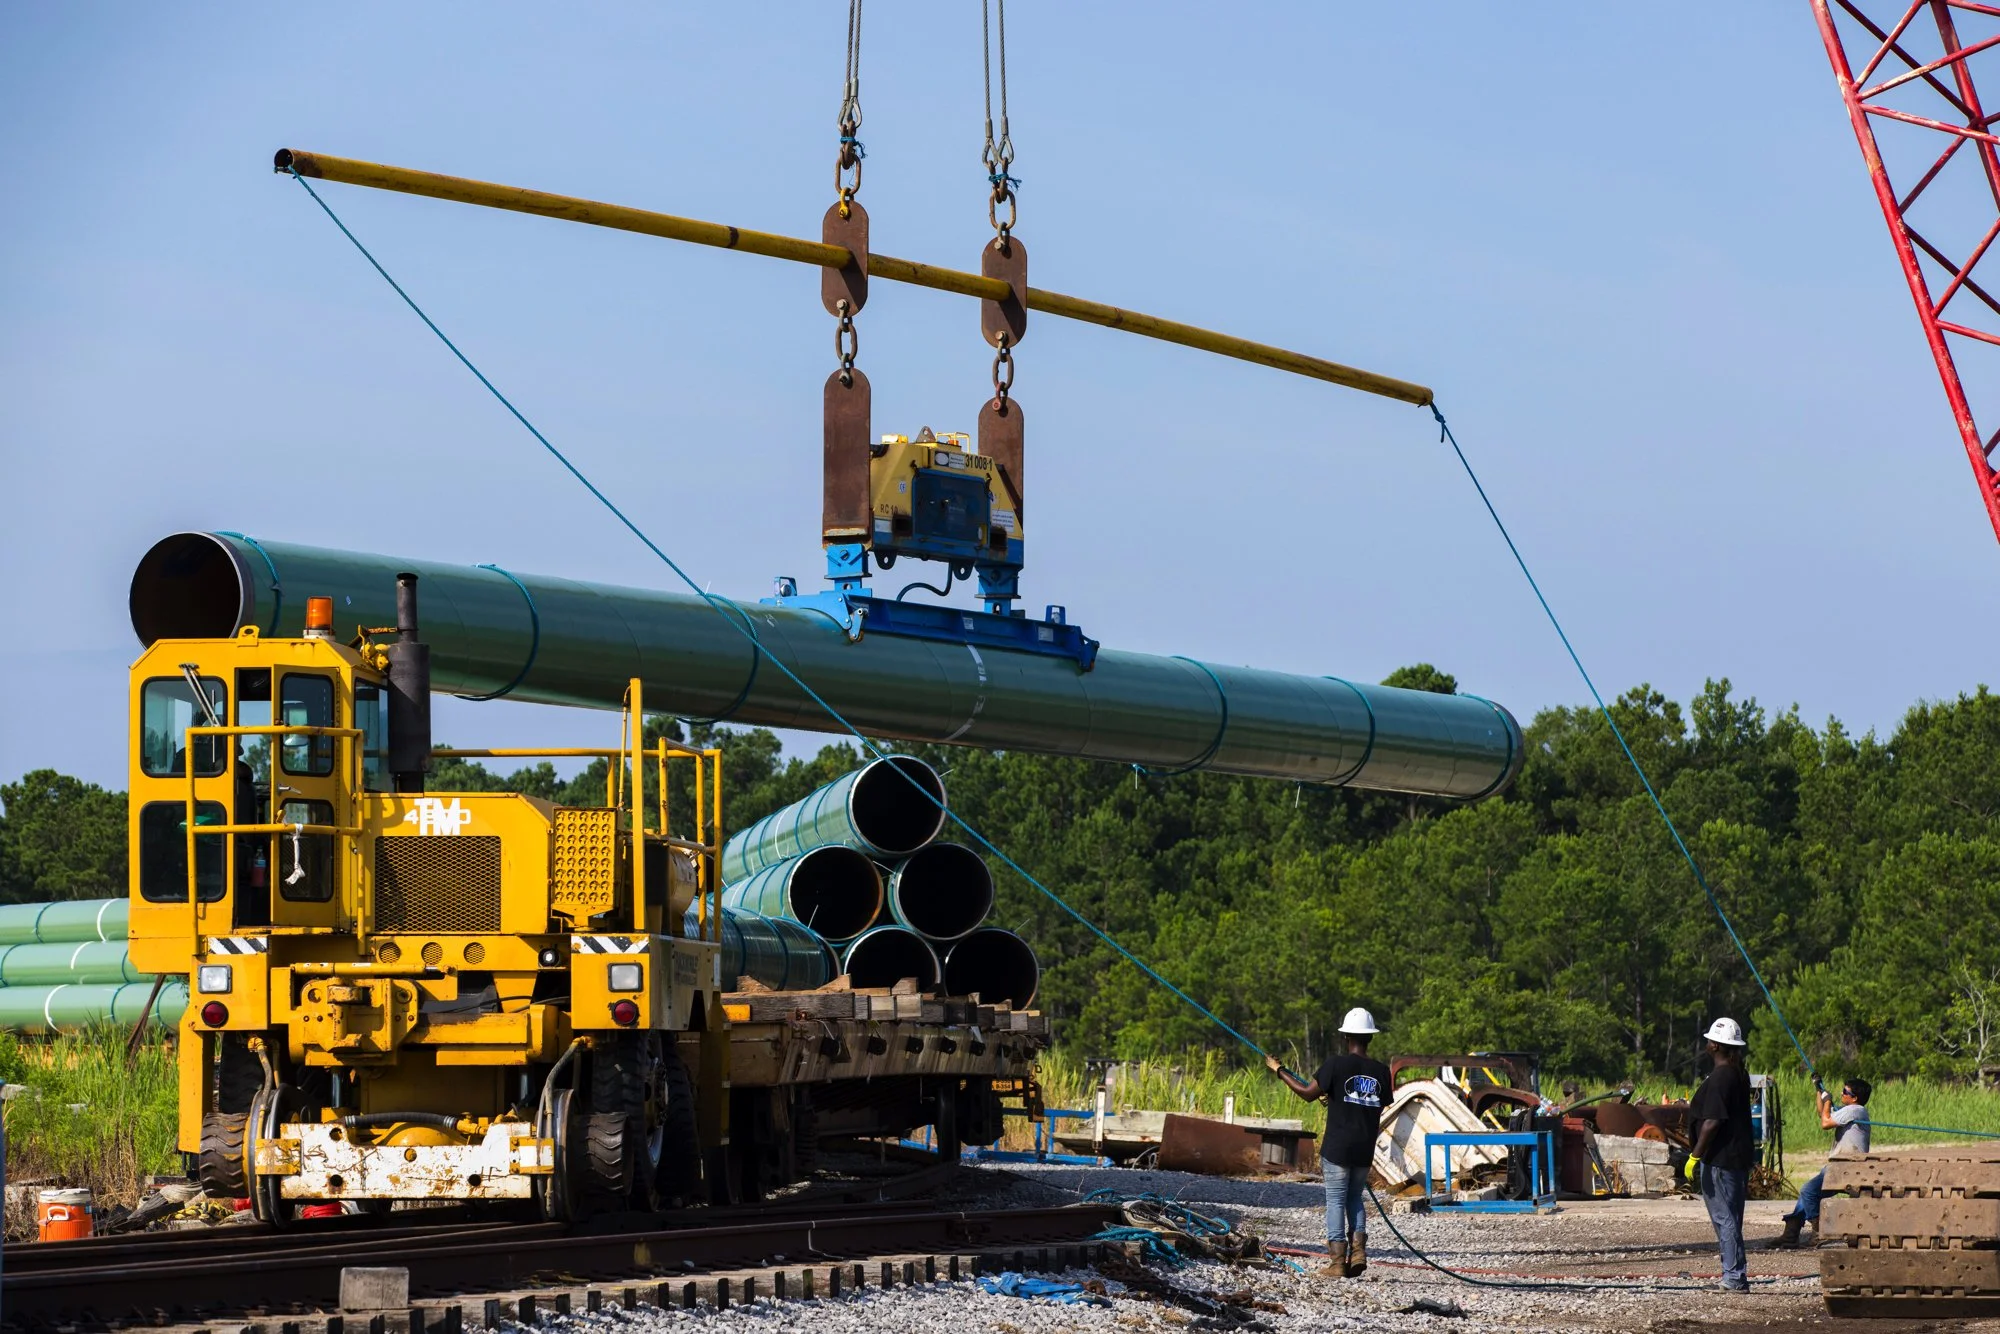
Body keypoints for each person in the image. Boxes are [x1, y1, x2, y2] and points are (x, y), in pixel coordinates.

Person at [1267, 1007, 1391, 1280]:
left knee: (1335, 1200)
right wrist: (1336, 1097)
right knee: (1355, 1198)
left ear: (1346, 1036)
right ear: (1370, 1037)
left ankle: (1337, 1263)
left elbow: (1307, 1094)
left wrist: (1279, 1070)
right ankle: (1358, 1254)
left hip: (1337, 1148)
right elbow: (1374, 1107)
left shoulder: (1335, 1064)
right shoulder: (1382, 1072)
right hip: (1363, 1149)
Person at [1682, 1016, 1755, 1292]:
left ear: (1714, 1045)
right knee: (1732, 1218)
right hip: (1736, 1158)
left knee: (1724, 1218)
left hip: (1721, 1160)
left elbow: (1713, 1121)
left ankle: (1734, 1277)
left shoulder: (1722, 1076)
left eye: (1709, 1041)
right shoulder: (1737, 1072)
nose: (1707, 1044)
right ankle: (1736, 1274)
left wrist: (1695, 1156)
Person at [1771, 1077, 1871, 1248]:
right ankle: (1791, 1234)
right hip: (1839, 1164)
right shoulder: (1849, 1110)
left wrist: (1828, 1099)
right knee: (1807, 1195)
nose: (1842, 1093)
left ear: (1854, 1098)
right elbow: (1822, 1113)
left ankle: (1820, 1232)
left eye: (1845, 1092)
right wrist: (1819, 1091)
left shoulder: (1855, 1110)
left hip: (1847, 1165)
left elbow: (1825, 1123)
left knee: (1808, 1191)